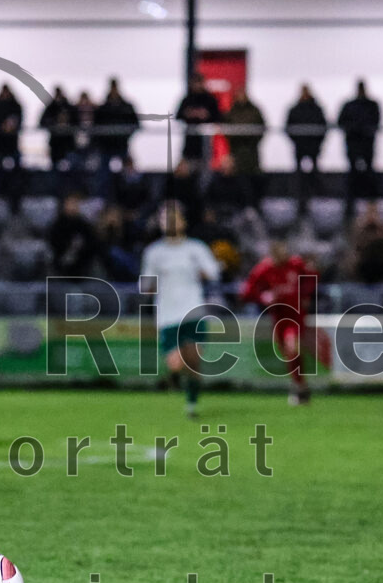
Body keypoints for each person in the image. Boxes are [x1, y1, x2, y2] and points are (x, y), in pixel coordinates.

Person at [140, 201, 220, 418]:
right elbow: (146, 285)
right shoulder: (154, 252)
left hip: (192, 310)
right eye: (166, 218)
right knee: (176, 363)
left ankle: (191, 404)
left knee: (194, 360)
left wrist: (202, 272)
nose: (171, 222)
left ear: (183, 221)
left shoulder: (196, 248)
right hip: (167, 314)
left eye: (174, 217)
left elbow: (213, 271)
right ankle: (176, 377)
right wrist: (152, 285)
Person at [241, 240, 320, 406]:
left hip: (296, 314)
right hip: (279, 316)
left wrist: (305, 295)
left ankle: (299, 386)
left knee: (293, 347)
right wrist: (263, 297)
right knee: (289, 353)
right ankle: (301, 386)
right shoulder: (264, 269)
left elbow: (312, 276)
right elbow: (247, 292)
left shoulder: (295, 264)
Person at [93, 77, 139, 197]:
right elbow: (95, 126)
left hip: (121, 145)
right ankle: (103, 197)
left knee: (127, 175)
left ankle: (129, 196)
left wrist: (125, 135)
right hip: (106, 147)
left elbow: (136, 124)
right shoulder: (103, 108)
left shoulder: (126, 106)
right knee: (104, 176)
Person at [337, 80, 381, 199]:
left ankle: (369, 202)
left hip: (363, 144)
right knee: (355, 174)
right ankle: (358, 202)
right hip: (355, 143)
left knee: (366, 173)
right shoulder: (368, 105)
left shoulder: (367, 105)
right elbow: (341, 122)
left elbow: (376, 122)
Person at [284, 84, 327, 201]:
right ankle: (301, 199)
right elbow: (288, 127)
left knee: (314, 173)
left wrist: (317, 142)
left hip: (312, 146)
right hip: (300, 146)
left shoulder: (316, 109)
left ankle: (316, 196)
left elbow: (323, 127)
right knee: (299, 176)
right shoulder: (296, 109)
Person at [0, 84, 24, 199]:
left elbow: (20, 120)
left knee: (15, 173)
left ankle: (15, 196)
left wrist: (12, 126)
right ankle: (1, 193)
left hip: (12, 145)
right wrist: (0, 126)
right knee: (0, 172)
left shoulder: (15, 106)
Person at [48, 192, 98, 276]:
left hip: (82, 262)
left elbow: (91, 243)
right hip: (60, 261)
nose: (73, 207)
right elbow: (54, 243)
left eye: (75, 203)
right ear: (64, 205)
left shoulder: (84, 224)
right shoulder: (57, 224)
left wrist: (79, 249)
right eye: (70, 203)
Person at [176, 73, 220, 167]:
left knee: (204, 166)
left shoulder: (210, 99)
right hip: (190, 140)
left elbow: (218, 117)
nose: (197, 86)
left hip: (205, 140)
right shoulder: (187, 99)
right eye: (195, 83)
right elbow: (178, 115)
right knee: (189, 165)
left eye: (199, 83)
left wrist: (206, 115)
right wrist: (188, 114)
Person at [224, 87, 265, 178]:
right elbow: (226, 128)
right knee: (237, 174)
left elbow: (262, 127)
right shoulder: (232, 111)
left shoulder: (254, 110)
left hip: (251, 148)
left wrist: (254, 139)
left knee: (252, 174)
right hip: (236, 148)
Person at [39, 86, 77, 171]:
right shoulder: (51, 108)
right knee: (55, 170)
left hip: (68, 144)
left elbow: (76, 121)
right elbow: (42, 122)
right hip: (55, 144)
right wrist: (54, 123)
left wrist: (67, 123)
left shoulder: (69, 107)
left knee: (70, 169)